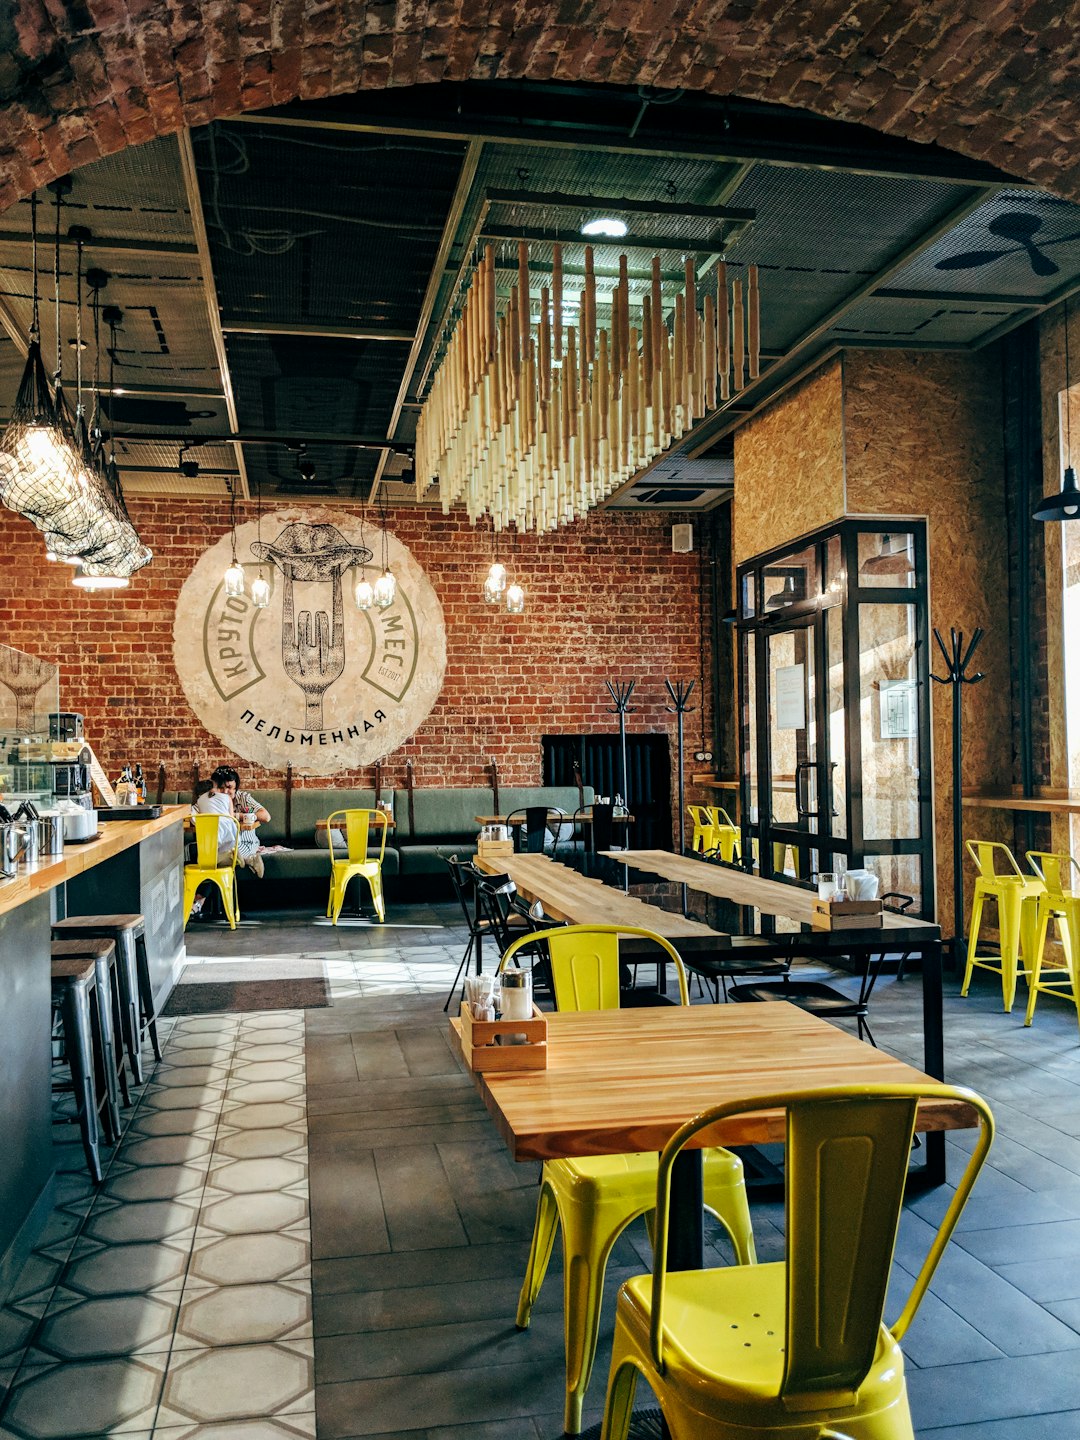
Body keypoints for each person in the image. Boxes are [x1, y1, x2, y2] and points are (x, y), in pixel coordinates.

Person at [206, 765, 268, 879]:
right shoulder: (211, 799)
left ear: (236, 787)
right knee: (193, 851)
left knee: (218, 856)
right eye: (221, 787)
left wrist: (237, 816)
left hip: (245, 842)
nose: (225, 791)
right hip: (221, 843)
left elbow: (266, 816)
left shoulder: (243, 798)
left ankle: (201, 896)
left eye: (229, 787)